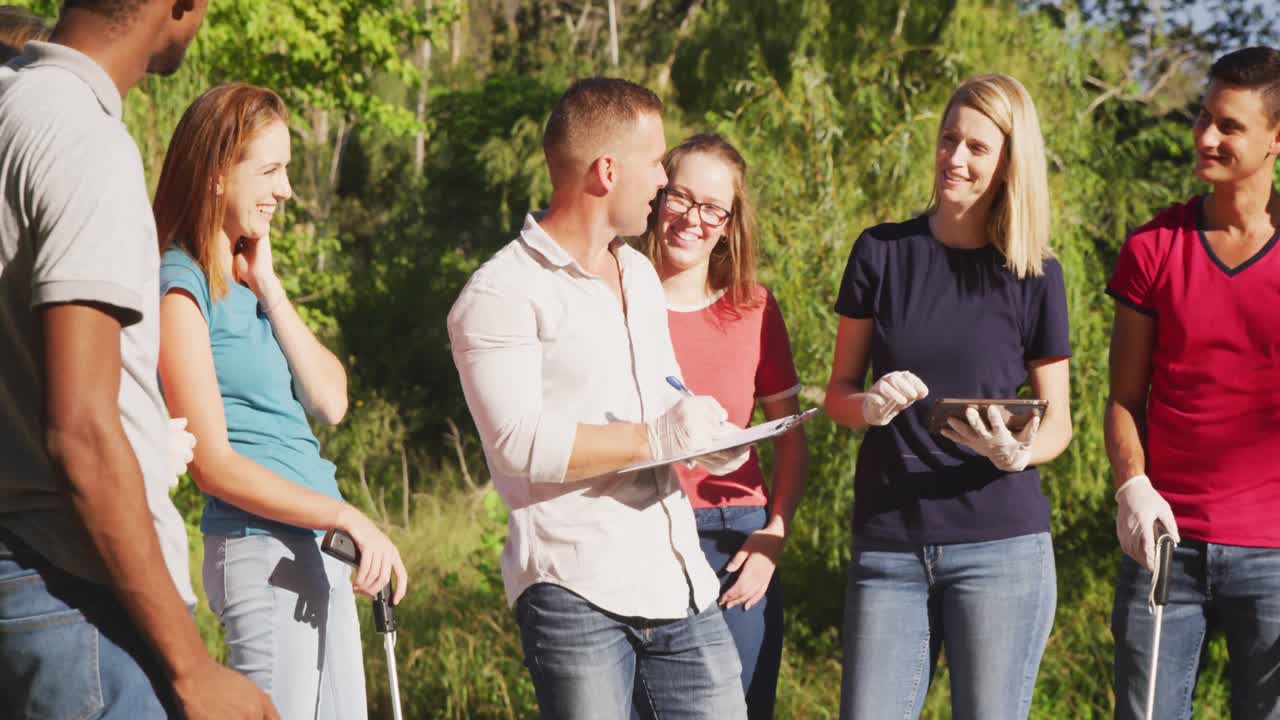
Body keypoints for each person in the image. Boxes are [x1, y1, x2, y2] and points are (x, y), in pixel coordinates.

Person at [0, 2, 277, 719]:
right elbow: (82, 433)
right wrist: (192, 669)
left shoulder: (13, 108)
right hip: (76, 597)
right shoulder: (82, 140)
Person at [448, 78, 750, 720]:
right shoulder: (497, 294)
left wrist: (704, 439)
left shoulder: (638, 274)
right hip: (574, 589)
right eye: (655, 163)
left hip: (679, 580)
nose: (664, 182)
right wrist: (659, 439)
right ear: (608, 171)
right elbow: (519, 446)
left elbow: (665, 396)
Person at [152, 82, 409, 719]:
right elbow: (213, 463)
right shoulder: (179, 285)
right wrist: (345, 516)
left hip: (314, 547)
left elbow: (331, 401)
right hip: (260, 553)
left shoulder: (247, 285)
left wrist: (269, 285)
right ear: (215, 175)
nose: (286, 190)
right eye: (270, 170)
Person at [824, 73, 1072, 720]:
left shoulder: (1037, 275)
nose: (954, 159)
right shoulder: (880, 253)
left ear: (1010, 165)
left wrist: (1018, 454)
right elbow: (838, 394)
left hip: (1002, 551)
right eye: (947, 139)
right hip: (889, 546)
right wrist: (869, 406)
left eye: (977, 148)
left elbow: (1060, 425)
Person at [1106, 46, 1280, 720]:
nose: (1206, 137)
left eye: (1229, 125)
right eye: (1203, 118)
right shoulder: (1153, 248)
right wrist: (1132, 485)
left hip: (1273, 558)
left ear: (1274, 139)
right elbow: (1124, 398)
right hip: (1165, 550)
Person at [638, 133, 808, 720]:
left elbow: (790, 436)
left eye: (713, 208)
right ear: (658, 197)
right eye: (681, 198)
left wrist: (772, 539)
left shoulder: (754, 307)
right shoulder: (614, 300)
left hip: (734, 541)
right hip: (635, 532)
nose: (693, 219)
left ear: (731, 223)